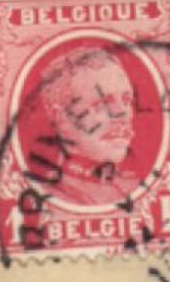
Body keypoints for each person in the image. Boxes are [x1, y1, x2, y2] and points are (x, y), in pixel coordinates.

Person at [33, 45, 141, 209]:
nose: (122, 115)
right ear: (61, 118)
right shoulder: (51, 195)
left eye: (126, 101)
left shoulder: (135, 187)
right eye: (103, 104)